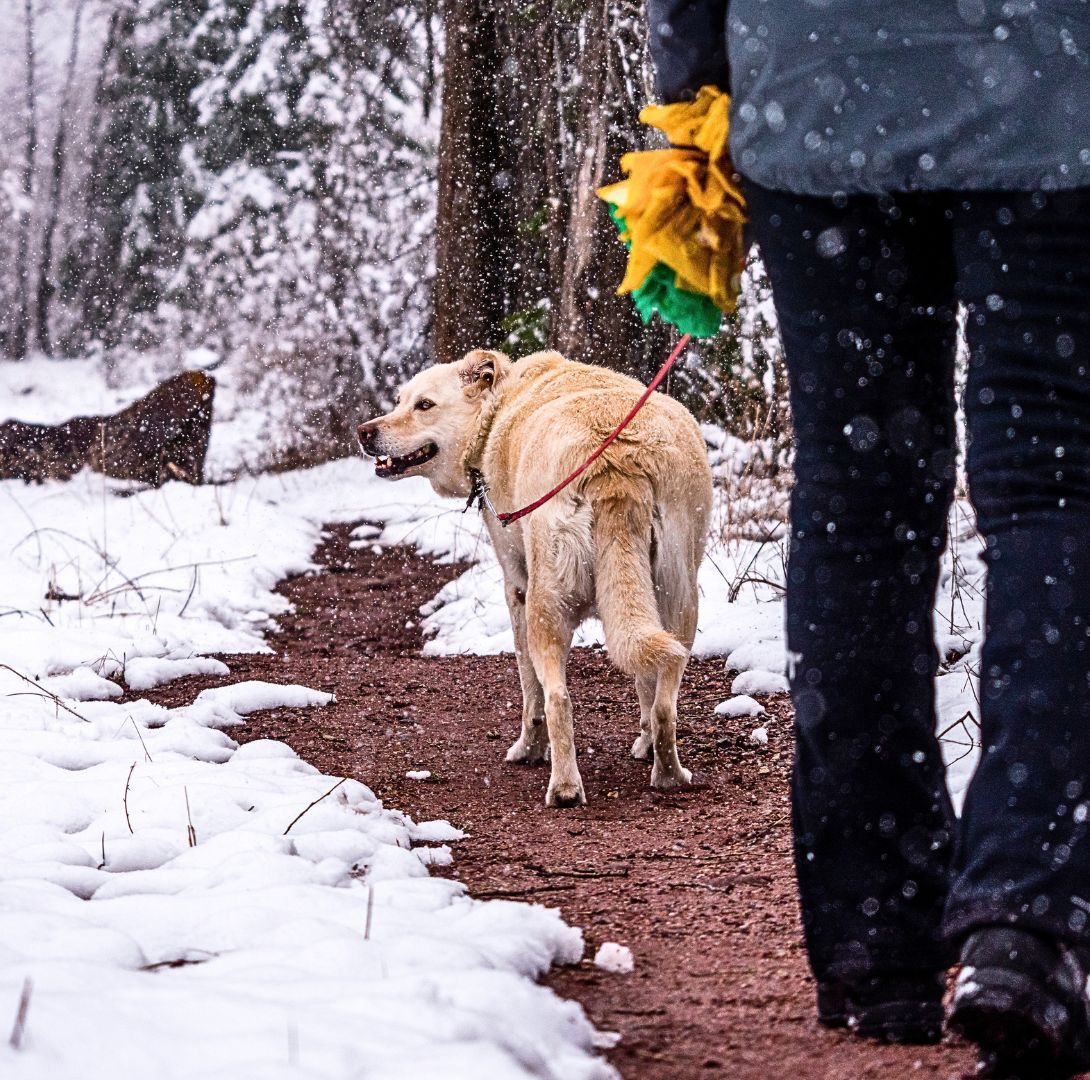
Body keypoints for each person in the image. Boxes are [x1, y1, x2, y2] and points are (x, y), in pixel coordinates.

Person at [643, 2, 1090, 1076]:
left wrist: (693, 79)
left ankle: (872, 939)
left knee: (859, 499)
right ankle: (1025, 917)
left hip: (817, 93)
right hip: (1051, 92)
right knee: (1055, 490)